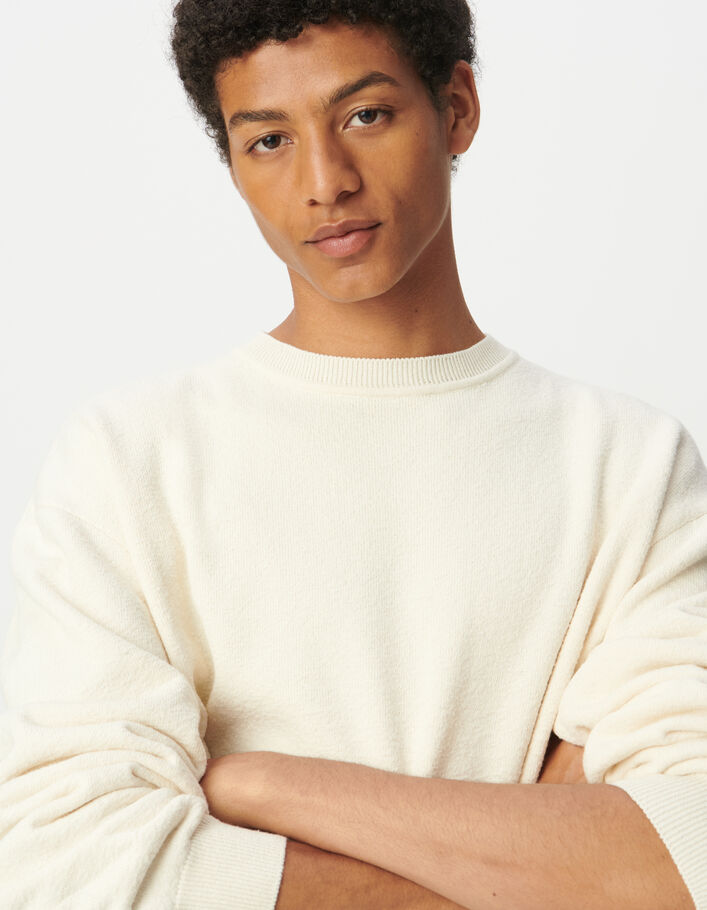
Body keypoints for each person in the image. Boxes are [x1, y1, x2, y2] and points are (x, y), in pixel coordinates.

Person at [1, 1, 705, 908]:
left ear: (456, 108)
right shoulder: (129, 462)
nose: (324, 182)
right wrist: (547, 864)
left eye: (365, 115)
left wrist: (262, 785)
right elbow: (65, 865)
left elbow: (686, 849)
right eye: (268, 141)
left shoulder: (630, 465)